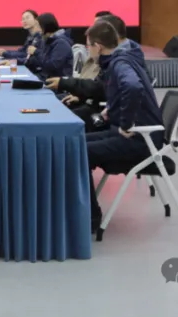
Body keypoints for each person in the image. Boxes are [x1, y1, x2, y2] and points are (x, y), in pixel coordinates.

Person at [84, 20, 163, 232]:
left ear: (98, 46)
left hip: (139, 140)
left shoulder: (120, 64)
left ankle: (91, 218)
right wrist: (112, 108)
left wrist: (126, 123)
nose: (87, 50)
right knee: (75, 142)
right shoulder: (120, 60)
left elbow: (133, 87)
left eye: (88, 45)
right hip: (132, 133)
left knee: (78, 151)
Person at [47, 14, 128, 131]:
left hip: (106, 115)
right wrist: (80, 96)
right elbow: (99, 87)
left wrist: (126, 124)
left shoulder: (121, 60)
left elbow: (101, 88)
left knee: (60, 124)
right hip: (94, 104)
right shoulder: (111, 57)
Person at [27, 12, 73, 80]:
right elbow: (42, 61)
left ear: (45, 26)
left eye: (38, 26)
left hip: (57, 82)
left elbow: (51, 66)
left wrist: (36, 52)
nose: (36, 29)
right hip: (46, 77)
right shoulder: (47, 40)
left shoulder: (61, 43)